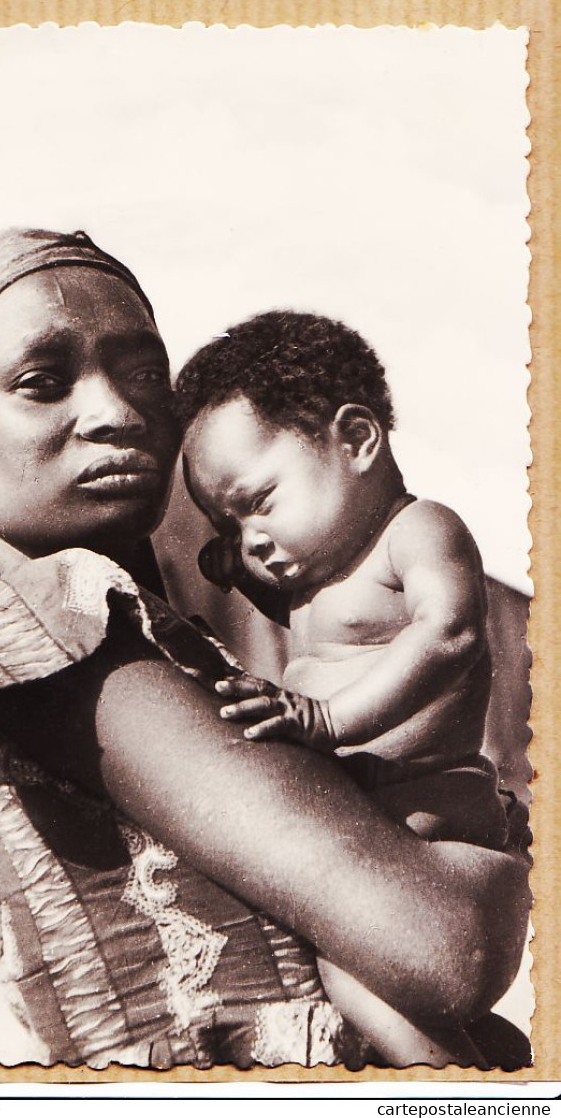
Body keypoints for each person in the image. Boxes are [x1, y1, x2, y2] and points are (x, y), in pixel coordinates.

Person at [0, 230, 530, 1071]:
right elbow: (446, 950)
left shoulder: (148, 627)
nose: (118, 412)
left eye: (143, 376)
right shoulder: (61, 623)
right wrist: (484, 859)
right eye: (42, 382)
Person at [175, 310, 518, 1062]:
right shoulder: (306, 586)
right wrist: (226, 557)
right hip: (384, 845)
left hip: (443, 838)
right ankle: (486, 1059)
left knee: (349, 972)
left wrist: (327, 720)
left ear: (358, 439)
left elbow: (450, 632)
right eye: (228, 526)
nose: (250, 540)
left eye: (259, 501)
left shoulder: (417, 531)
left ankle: (451, 1095)